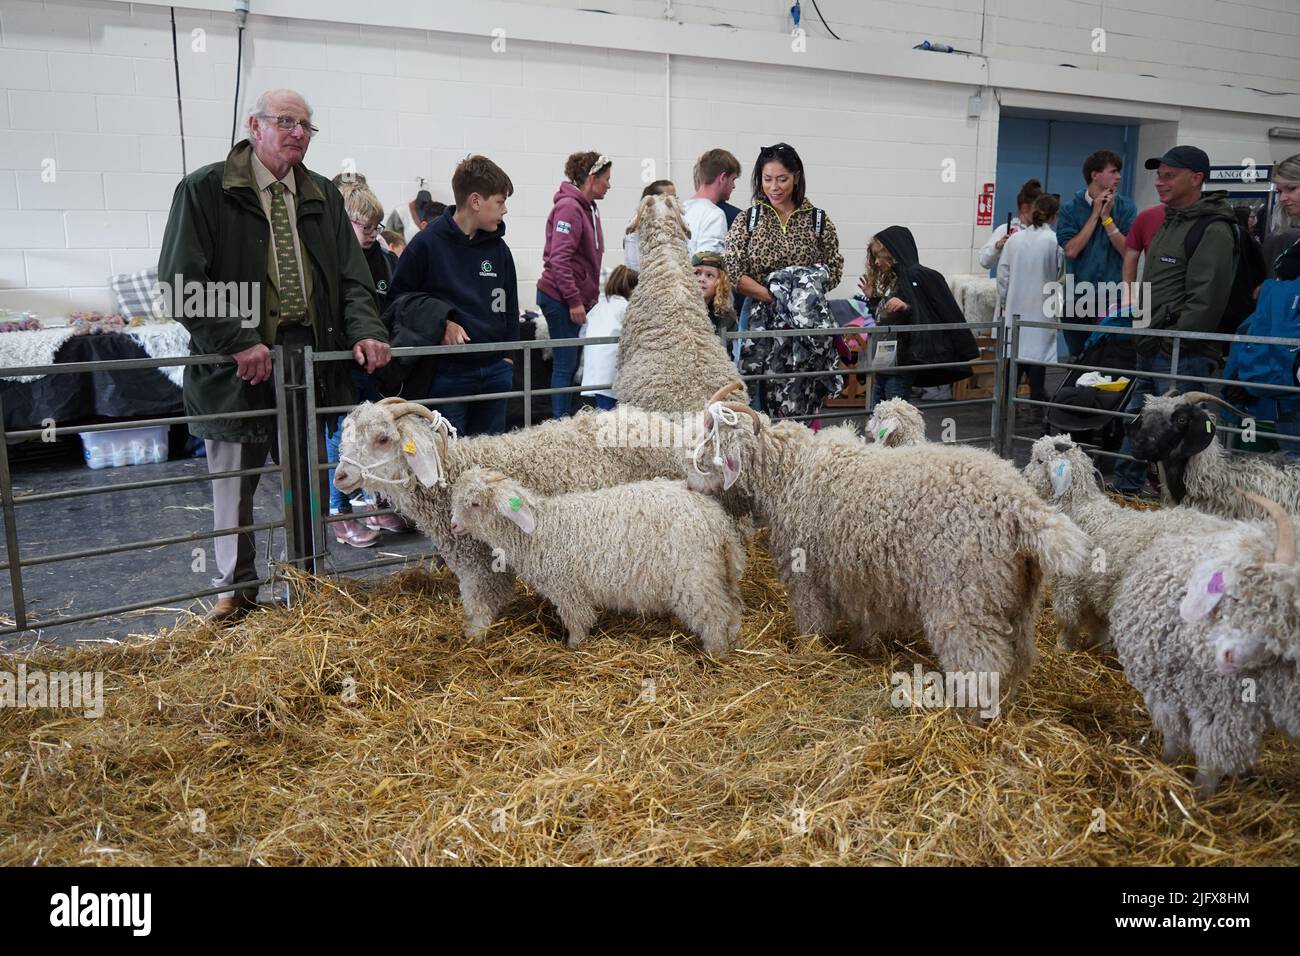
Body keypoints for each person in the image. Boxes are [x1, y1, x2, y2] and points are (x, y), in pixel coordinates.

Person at [158, 88, 390, 624]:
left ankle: (308, 582)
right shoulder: (205, 191)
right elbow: (180, 284)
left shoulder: (324, 198)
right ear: (254, 125)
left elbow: (353, 280)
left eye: (306, 126)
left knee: (306, 480)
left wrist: (367, 330)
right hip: (233, 362)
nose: (297, 133)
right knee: (233, 484)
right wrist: (237, 339)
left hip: (307, 359)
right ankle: (234, 594)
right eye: (285, 122)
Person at [1111, 145, 1236, 495]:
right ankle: (1126, 491)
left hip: (1182, 352)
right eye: (1158, 175)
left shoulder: (1213, 229)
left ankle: (1189, 500)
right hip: (1153, 344)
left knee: (1181, 432)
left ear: (1196, 179)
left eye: (1169, 176)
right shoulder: (1169, 220)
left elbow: (1206, 299)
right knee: (1140, 422)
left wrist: (1171, 340)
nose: (1159, 182)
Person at [389, 154, 519, 437]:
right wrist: (440, 322)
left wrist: (507, 358)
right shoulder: (426, 245)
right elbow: (398, 300)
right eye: (500, 201)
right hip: (448, 375)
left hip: (495, 372)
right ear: (475, 201)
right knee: (449, 461)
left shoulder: (499, 249)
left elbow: (510, 307)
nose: (505, 210)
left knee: (491, 460)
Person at [724, 143, 843, 404]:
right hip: (759, 313)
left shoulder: (817, 220)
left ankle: (797, 439)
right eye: (767, 179)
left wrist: (801, 289)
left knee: (801, 388)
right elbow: (732, 268)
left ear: (796, 177)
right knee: (756, 386)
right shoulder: (749, 219)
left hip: (805, 318)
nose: (774, 187)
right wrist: (772, 295)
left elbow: (834, 267)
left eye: (782, 179)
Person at [326, 180, 401, 546]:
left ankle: (376, 502)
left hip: (375, 365)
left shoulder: (383, 261)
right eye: (364, 227)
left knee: (375, 432)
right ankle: (338, 511)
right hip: (342, 365)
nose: (372, 234)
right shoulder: (331, 264)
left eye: (376, 227)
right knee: (341, 436)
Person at [862, 226, 978, 410]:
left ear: (891, 253)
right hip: (886, 359)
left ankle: (897, 439)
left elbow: (924, 312)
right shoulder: (896, 280)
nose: (876, 262)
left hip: (902, 360)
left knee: (894, 412)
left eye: (879, 256)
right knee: (878, 410)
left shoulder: (915, 276)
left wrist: (906, 307)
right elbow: (887, 316)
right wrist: (875, 299)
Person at [537, 151, 610, 418]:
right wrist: (574, 300)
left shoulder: (588, 208)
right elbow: (559, 259)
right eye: (606, 179)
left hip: (571, 296)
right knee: (565, 364)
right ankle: (559, 424)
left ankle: (563, 419)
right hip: (559, 296)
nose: (609, 185)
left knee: (569, 362)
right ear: (592, 178)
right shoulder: (569, 207)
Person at [1056, 149, 1136, 357]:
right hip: (1078, 297)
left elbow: (1129, 251)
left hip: (1114, 297)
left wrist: (1107, 219)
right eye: (1113, 171)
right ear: (1095, 175)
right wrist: (1094, 215)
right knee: (1079, 356)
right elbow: (1071, 250)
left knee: (1109, 358)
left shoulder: (1126, 207)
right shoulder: (1070, 209)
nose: (1118, 177)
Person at [997, 193, 1063, 424]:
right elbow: (1059, 279)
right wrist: (1058, 313)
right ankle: (1038, 415)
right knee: (1037, 367)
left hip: (1016, 309)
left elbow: (1003, 275)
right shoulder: (1054, 242)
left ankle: (1005, 413)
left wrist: (1004, 301)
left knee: (1012, 363)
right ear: (1054, 216)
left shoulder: (1014, 240)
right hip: (1041, 313)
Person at [579, 265, 638, 410]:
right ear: (631, 289)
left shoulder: (600, 306)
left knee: (604, 414)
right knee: (612, 419)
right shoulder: (626, 307)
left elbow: (582, 333)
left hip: (595, 369)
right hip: (612, 371)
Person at [682, 149, 741, 257]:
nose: (733, 186)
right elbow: (709, 267)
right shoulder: (714, 214)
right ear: (723, 178)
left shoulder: (681, 209)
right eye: (733, 179)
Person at [978, 178, 1042, 274]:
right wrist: (997, 247)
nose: (1040, 213)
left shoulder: (1042, 233)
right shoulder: (1004, 230)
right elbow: (984, 261)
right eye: (1036, 209)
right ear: (1025, 208)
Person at [623, 179, 675, 271]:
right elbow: (632, 264)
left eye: (675, 198)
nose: (673, 202)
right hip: (646, 279)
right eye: (667, 197)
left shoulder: (674, 225)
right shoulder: (637, 225)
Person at [692, 250, 737, 343]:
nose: (701, 279)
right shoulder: (677, 311)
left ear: (720, 283)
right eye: (697, 273)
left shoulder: (726, 318)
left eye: (709, 275)